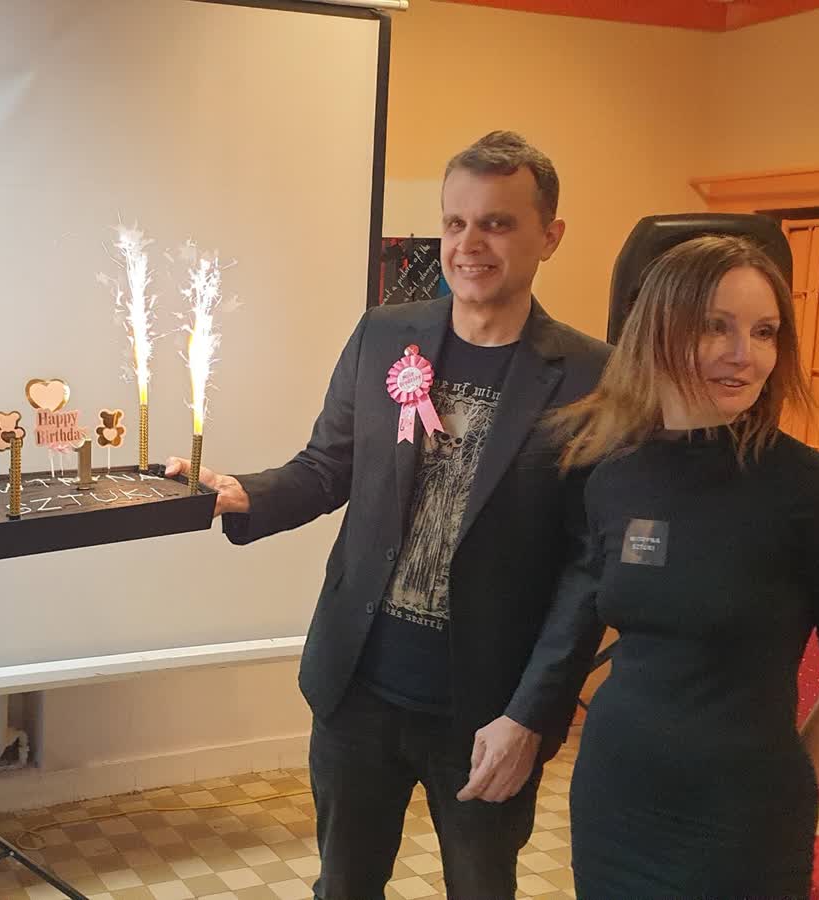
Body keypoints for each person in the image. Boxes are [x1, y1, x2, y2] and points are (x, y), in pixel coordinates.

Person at [168, 131, 611, 898]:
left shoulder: (590, 375)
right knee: (343, 887)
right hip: (358, 691)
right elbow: (327, 466)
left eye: (497, 223)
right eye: (455, 222)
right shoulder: (383, 336)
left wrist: (533, 714)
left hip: (487, 712)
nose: (469, 244)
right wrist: (239, 492)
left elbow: (587, 567)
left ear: (550, 236)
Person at [521, 234, 819, 896]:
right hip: (614, 801)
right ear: (659, 330)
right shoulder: (616, 476)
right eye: (716, 327)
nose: (744, 354)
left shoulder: (813, 495)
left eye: (765, 332)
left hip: (742, 822)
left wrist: (784, 784)